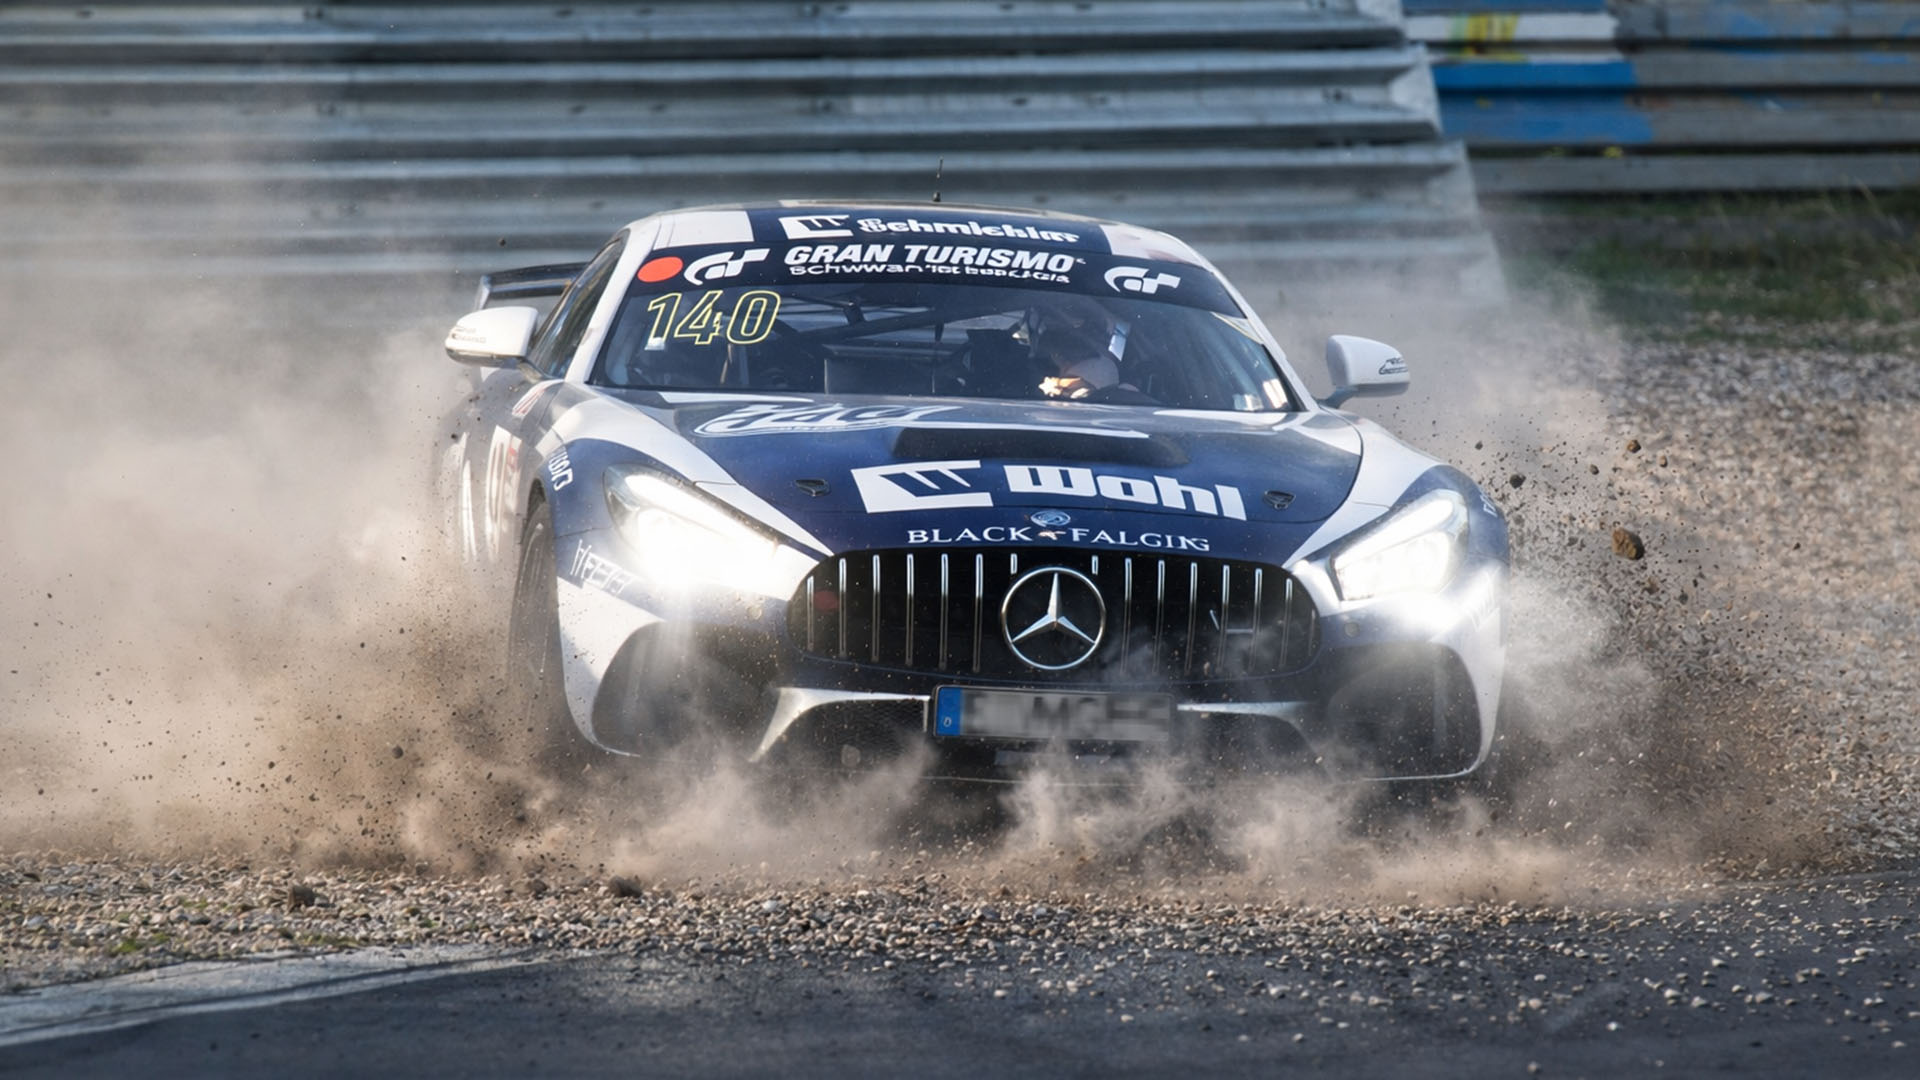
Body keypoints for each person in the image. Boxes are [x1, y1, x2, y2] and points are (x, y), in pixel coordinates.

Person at [1030, 298, 1123, 399]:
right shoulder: (1109, 363)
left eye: (1048, 355)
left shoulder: (1073, 380)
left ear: (1056, 355)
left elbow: (1079, 384)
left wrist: (1055, 383)